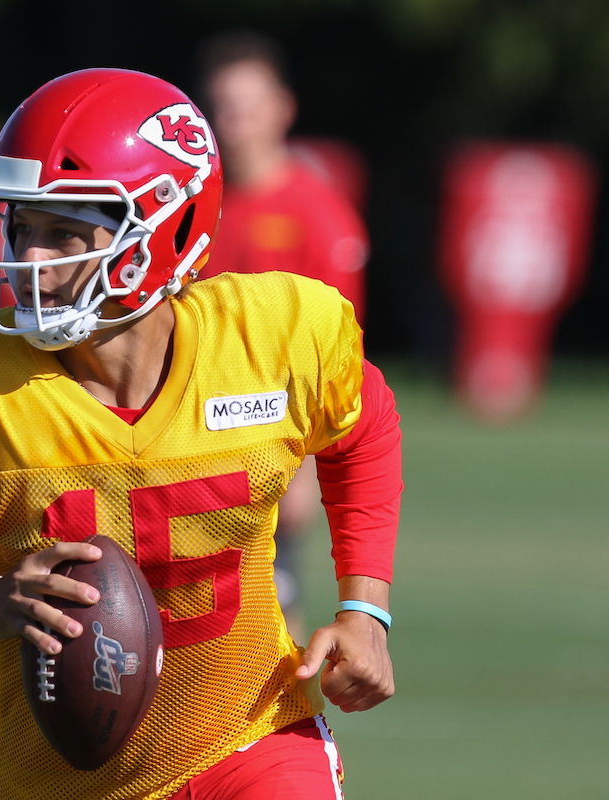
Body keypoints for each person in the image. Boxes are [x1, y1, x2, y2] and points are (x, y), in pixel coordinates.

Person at [0, 69, 400, 799]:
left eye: (63, 230)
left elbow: (366, 427)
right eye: (21, 226)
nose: (29, 260)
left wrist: (364, 608)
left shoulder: (270, 337)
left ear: (170, 228)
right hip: (59, 782)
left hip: (253, 736)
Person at [198, 31, 371, 641]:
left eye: (248, 106)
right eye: (222, 107)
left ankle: (285, 703)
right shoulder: (198, 205)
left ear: (282, 109)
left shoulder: (316, 213)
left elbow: (337, 354)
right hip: (187, 432)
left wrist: (305, 465)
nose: (235, 122)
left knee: (270, 608)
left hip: (271, 436)